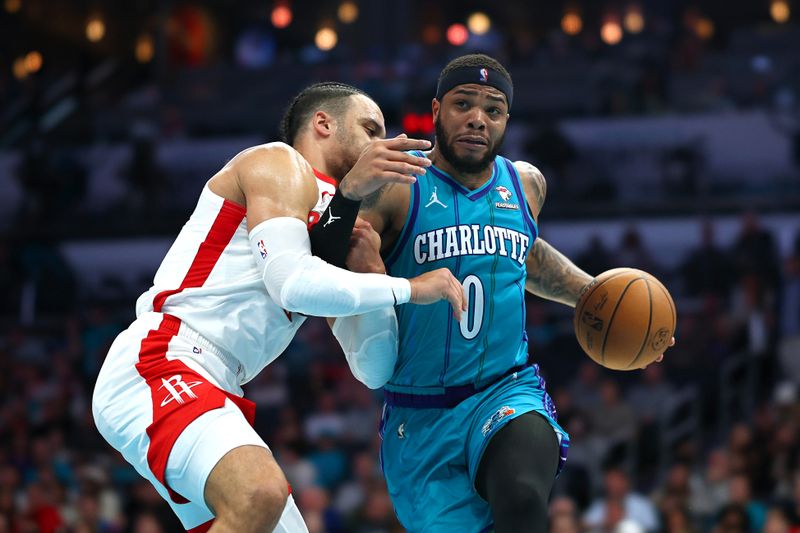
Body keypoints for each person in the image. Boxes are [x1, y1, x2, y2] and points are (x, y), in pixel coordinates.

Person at [91, 82, 466, 533]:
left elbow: (373, 369)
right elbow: (290, 282)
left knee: (266, 510)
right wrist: (409, 289)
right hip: (163, 359)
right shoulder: (278, 163)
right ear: (323, 124)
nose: (380, 144)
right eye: (370, 129)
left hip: (218, 381)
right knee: (259, 493)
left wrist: (374, 274)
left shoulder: (340, 226)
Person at [324, 55, 672, 532]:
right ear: (436, 110)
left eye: (494, 109)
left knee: (524, 497)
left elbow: (521, 255)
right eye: (463, 104)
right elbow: (321, 270)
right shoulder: (396, 188)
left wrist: (594, 294)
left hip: (505, 390)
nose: (477, 119)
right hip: (420, 413)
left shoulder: (525, 185)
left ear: (506, 120)